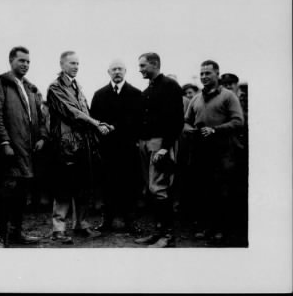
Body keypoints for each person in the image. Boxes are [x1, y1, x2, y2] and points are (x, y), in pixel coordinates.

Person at [0, 46, 48, 248]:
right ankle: (1, 237)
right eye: (21, 61)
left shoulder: (31, 89)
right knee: (6, 195)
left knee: (21, 195)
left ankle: (18, 233)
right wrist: (4, 142)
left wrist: (42, 138)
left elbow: (40, 116)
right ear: (11, 61)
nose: (25, 65)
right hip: (10, 152)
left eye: (28, 61)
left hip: (28, 153)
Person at [47, 51, 110, 244]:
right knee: (64, 187)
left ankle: (80, 224)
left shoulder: (78, 87)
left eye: (78, 64)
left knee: (83, 185)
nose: (76, 66)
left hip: (83, 145)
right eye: (72, 63)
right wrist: (96, 123)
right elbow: (71, 112)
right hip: (66, 145)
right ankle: (58, 230)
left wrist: (100, 124)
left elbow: (84, 111)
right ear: (62, 64)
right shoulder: (55, 87)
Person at [184, 60, 244, 244]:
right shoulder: (196, 98)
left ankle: (221, 230)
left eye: (208, 73)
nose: (204, 77)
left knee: (222, 192)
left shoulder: (228, 96)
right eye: (201, 74)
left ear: (217, 74)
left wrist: (215, 129)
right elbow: (187, 120)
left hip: (224, 152)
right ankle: (206, 227)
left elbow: (238, 121)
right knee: (203, 190)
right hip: (201, 152)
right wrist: (188, 129)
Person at [134, 52, 184, 248]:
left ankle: (167, 235)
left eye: (143, 66)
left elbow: (176, 120)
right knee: (152, 190)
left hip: (160, 144)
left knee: (160, 189)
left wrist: (165, 147)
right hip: (146, 144)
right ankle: (158, 231)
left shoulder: (170, 86)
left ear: (155, 65)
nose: (140, 69)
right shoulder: (148, 90)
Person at [90, 59, 142, 234]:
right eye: (114, 69)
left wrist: (118, 128)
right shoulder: (99, 94)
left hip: (128, 147)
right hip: (107, 149)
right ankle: (107, 222)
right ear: (108, 72)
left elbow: (139, 121)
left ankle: (130, 222)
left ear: (126, 71)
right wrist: (101, 129)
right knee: (108, 185)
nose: (117, 72)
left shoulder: (136, 94)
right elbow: (94, 120)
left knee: (129, 185)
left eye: (120, 69)